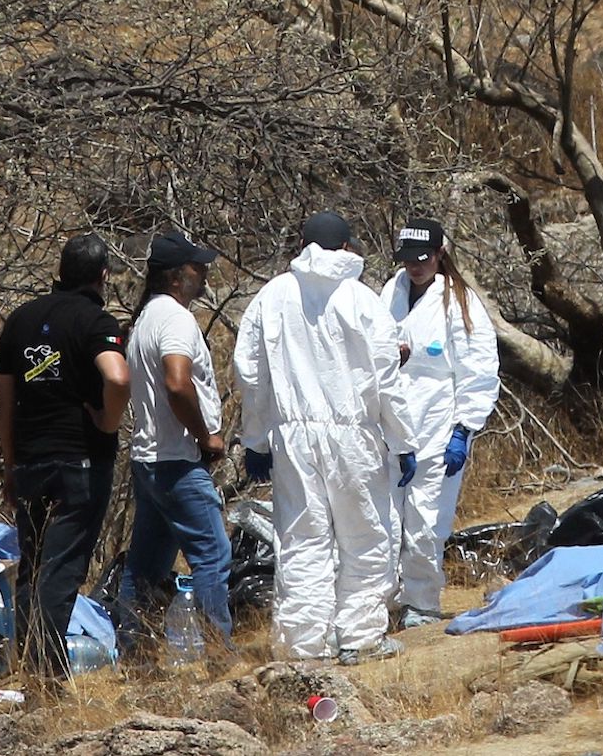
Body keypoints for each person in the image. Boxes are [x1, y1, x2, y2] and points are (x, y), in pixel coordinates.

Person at [232, 211, 419, 665]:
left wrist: (256, 439)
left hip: (293, 437)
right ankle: (359, 637)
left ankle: (303, 645)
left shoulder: (272, 295)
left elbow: (249, 373)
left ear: (301, 243)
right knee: (365, 536)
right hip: (354, 436)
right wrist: (402, 439)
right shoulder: (360, 298)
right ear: (346, 247)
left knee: (302, 539)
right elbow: (385, 377)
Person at [0, 234, 129, 678]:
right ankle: (49, 675)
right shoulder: (95, 321)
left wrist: (11, 462)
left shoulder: (21, 320)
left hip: (31, 461)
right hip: (80, 462)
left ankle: (28, 667)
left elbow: (4, 398)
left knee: (32, 567)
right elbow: (118, 376)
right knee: (62, 569)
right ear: (102, 275)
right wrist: (108, 423)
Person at [380, 218, 500, 629]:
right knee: (385, 522)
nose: (415, 267)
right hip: (391, 427)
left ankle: (422, 602)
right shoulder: (389, 293)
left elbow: (478, 370)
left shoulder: (459, 303)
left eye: (424, 258)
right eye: (408, 260)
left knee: (426, 522)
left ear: (440, 255)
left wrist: (464, 430)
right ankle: (385, 601)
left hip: (437, 425)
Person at [120, 232, 232, 650]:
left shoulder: (146, 317)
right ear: (175, 276)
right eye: (195, 267)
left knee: (145, 566)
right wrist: (206, 436)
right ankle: (219, 654)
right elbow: (177, 382)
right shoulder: (175, 319)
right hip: (178, 461)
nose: (203, 273)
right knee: (213, 556)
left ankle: (134, 653)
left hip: (148, 459)